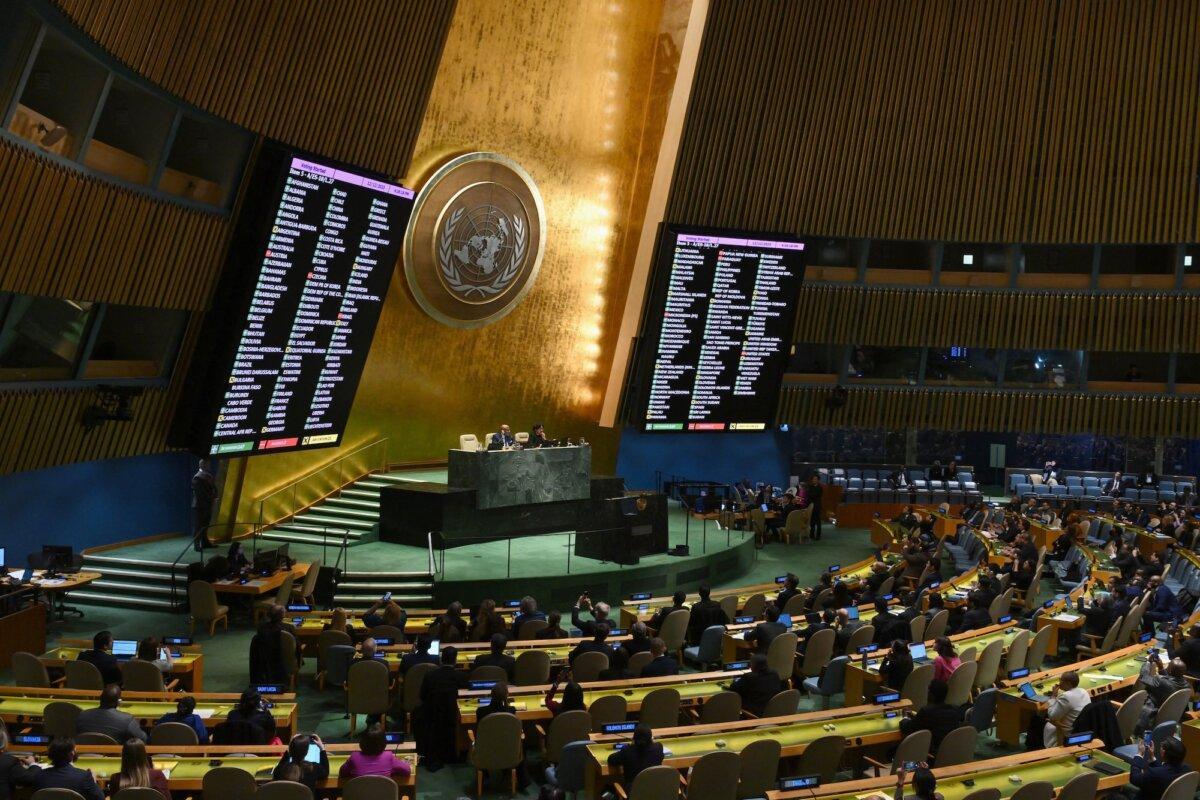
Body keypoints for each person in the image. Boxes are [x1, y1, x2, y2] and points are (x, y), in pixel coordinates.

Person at [414, 647, 467, 770]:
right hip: (453, 715)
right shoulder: (462, 677)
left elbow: (422, 696)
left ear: (441, 659)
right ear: (455, 660)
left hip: (431, 715)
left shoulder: (430, 675)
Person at [899, 680, 961, 758]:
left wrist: (905, 717)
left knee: (897, 756)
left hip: (928, 758)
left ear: (931, 694)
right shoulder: (954, 710)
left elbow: (906, 728)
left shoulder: (926, 712)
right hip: (948, 755)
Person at [29, 738, 102, 800]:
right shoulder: (84, 776)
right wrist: (94, 781)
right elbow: (100, 798)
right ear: (72, 753)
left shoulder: (39, 775)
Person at [1135, 656, 1190, 734]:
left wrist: (1147, 662)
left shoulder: (1161, 682)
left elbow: (1144, 678)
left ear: (1170, 671)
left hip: (1152, 716)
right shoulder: (1187, 685)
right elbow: (1170, 679)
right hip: (1171, 716)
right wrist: (1161, 667)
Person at [338, 724, 412, 781]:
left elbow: (342, 773)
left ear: (361, 743)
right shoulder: (388, 756)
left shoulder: (354, 757)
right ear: (384, 744)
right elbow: (407, 771)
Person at [75, 685, 146, 742]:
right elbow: (143, 739)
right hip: (114, 757)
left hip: (84, 755)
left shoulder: (82, 715)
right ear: (118, 702)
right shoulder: (126, 719)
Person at [1041, 671, 1089, 748]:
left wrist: (1053, 697)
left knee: (1037, 720)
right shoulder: (1084, 691)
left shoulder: (1066, 697)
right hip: (1080, 728)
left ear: (1068, 683)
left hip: (1065, 730)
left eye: (1061, 680)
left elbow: (1052, 716)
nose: (1059, 682)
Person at [249, 604, 291, 684]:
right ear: (283, 615)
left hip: (264, 661)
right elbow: (296, 646)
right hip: (285, 659)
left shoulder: (261, 628)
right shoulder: (289, 628)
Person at [0, 719, 35, 800]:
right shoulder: (9, 761)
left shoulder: (10, 761)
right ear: (3, 743)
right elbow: (28, 780)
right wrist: (33, 764)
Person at [192, 459, 217, 552]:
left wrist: (215, 496)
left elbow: (213, 487)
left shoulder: (209, 475)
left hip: (208, 504)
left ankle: (205, 542)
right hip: (200, 506)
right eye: (207, 464)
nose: (209, 465)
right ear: (202, 465)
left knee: (206, 525)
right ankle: (196, 545)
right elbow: (200, 493)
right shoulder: (197, 477)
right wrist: (211, 497)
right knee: (198, 525)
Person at [806, 474, 824, 540]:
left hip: (817, 506)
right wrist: (810, 495)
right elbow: (808, 494)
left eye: (815, 479)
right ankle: (812, 534)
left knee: (818, 522)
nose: (814, 480)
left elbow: (814, 495)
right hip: (811, 506)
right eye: (813, 479)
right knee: (812, 521)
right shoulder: (810, 486)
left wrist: (810, 495)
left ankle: (818, 535)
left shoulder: (820, 488)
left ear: (818, 480)